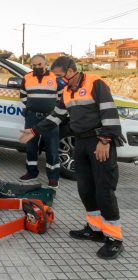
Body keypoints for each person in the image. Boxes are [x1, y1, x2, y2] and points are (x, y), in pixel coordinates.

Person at [20, 56, 124, 259]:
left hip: (99, 142)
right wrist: (33, 131)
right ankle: (94, 229)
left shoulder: (95, 83)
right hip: (81, 142)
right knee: (85, 188)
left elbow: (110, 113)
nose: (58, 81)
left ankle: (114, 239)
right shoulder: (67, 91)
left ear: (70, 71)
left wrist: (105, 140)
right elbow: (55, 116)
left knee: (104, 189)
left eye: (59, 76)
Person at [19, 54, 64, 189]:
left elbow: (62, 98)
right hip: (32, 117)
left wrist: (54, 111)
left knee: (52, 147)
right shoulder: (27, 78)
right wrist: (31, 107)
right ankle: (32, 172)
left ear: (46, 64)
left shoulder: (55, 78)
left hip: (50, 118)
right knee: (31, 146)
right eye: (34, 65)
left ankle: (53, 177)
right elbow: (22, 95)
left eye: (40, 64)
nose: (37, 67)